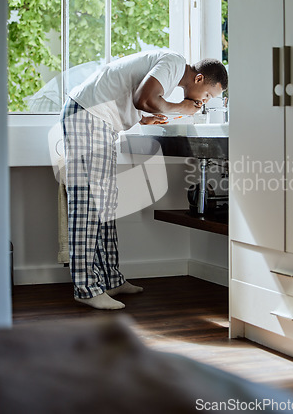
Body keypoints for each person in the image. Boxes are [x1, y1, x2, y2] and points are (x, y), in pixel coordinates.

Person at [61, 49, 228, 310]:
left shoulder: (170, 71)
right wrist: (180, 108)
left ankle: (109, 279)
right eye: (207, 95)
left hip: (97, 119)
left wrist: (145, 118)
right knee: (88, 204)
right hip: (88, 116)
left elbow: (134, 96)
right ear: (198, 79)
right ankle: (85, 288)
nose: (204, 102)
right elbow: (144, 97)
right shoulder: (173, 62)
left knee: (105, 204)